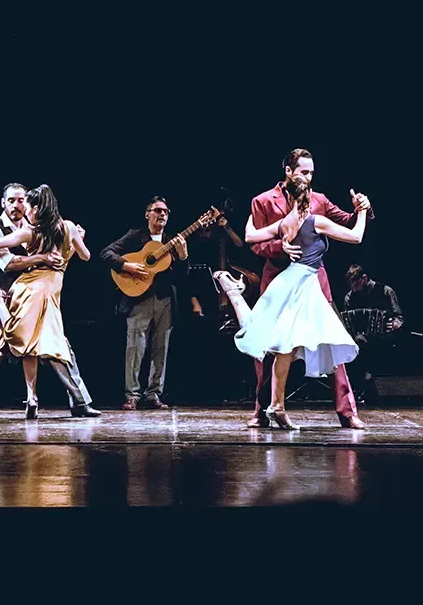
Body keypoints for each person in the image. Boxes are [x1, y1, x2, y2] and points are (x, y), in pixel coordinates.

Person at [212, 175, 367, 429]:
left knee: (285, 346)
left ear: (291, 197)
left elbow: (251, 236)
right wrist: (362, 211)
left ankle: (277, 405)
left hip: (288, 281)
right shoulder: (316, 221)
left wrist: (251, 223)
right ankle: (275, 405)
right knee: (291, 342)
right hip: (303, 285)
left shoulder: (285, 222)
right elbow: (356, 236)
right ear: (308, 195)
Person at [0, 182, 93, 418]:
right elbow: (8, 263)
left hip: (37, 297)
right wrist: (42, 258)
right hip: (7, 295)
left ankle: (80, 402)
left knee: (59, 349)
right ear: (3, 203)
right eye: (11, 200)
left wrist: (69, 247)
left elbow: (64, 254)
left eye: (21, 200)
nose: (17, 205)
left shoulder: (36, 226)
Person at [99, 196, 203, 410]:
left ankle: (153, 394)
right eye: (158, 210)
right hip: (138, 298)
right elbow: (106, 253)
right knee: (135, 348)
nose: (162, 214)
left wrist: (183, 257)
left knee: (161, 348)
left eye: (166, 211)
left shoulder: (173, 240)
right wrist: (126, 265)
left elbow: (181, 277)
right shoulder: (135, 236)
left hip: (165, 299)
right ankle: (132, 395)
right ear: (147, 214)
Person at [342, 264, 404, 403]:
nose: (354, 288)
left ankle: (367, 387)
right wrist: (356, 335)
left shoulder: (385, 291)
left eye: (356, 284)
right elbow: (348, 323)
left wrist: (395, 323)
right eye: (351, 285)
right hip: (362, 338)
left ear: (364, 278)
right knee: (356, 348)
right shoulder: (350, 297)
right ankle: (360, 388)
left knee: (375, 348)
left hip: (386, 335)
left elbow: (398, 316)